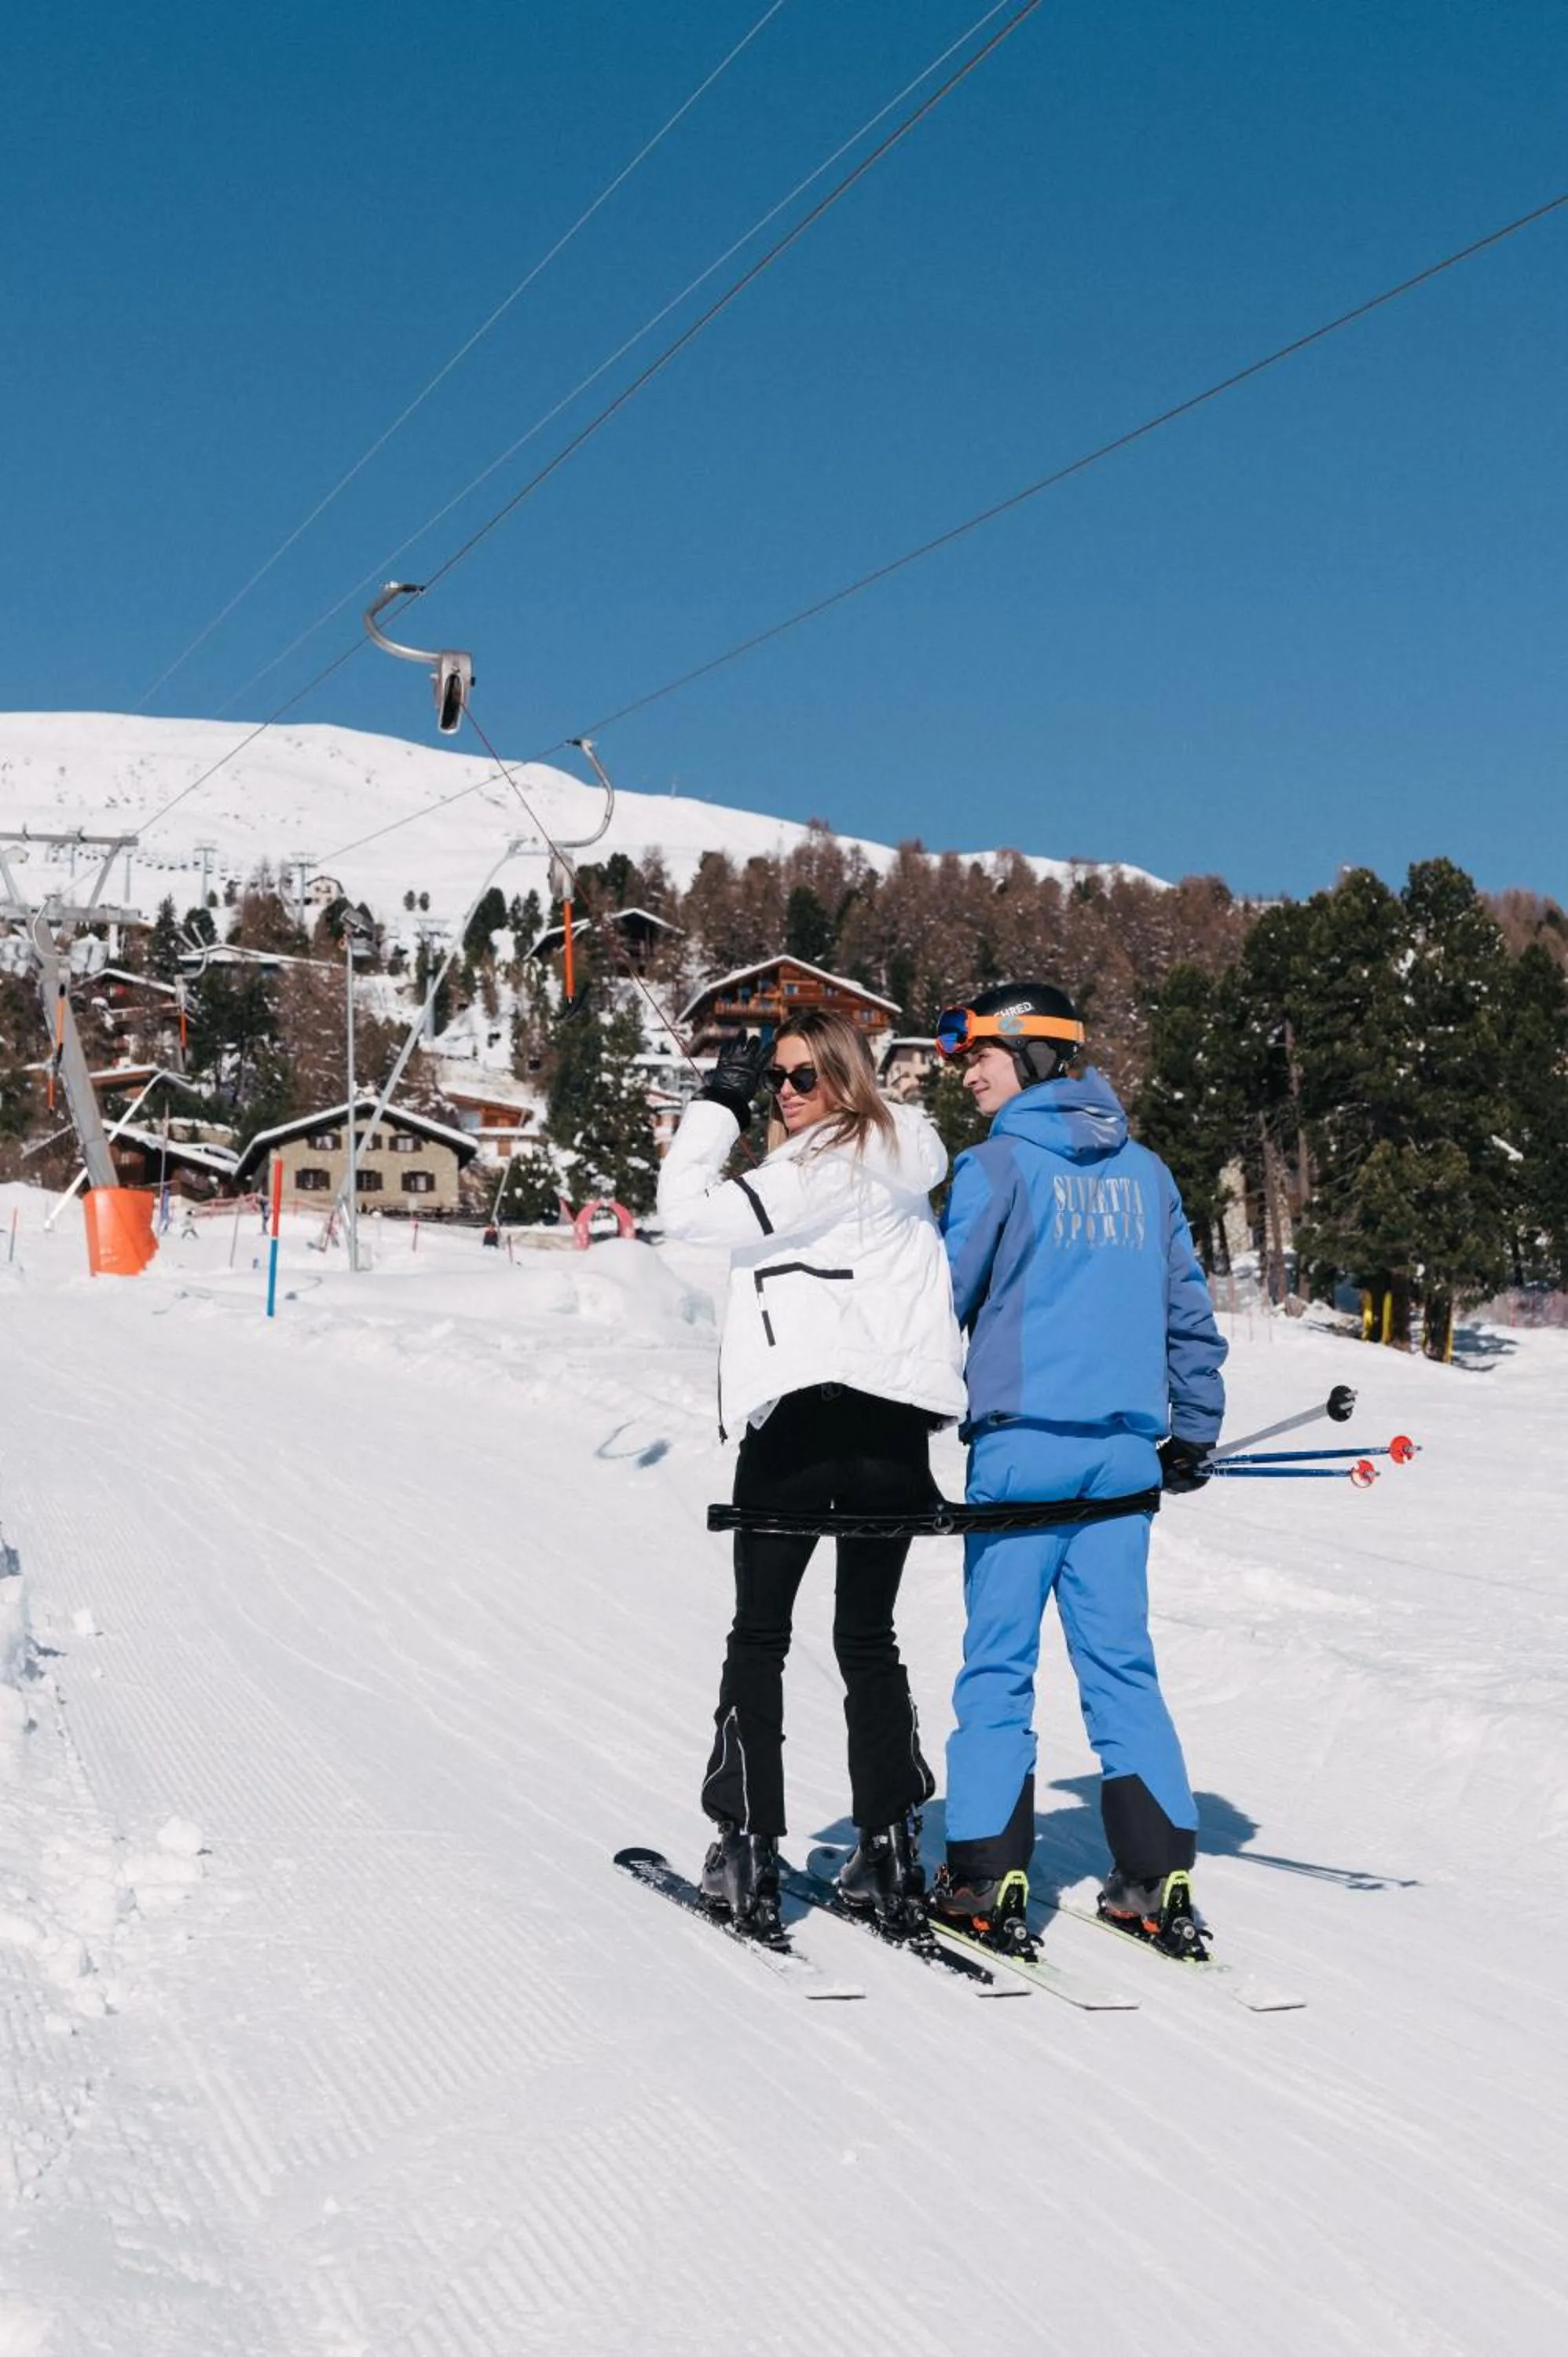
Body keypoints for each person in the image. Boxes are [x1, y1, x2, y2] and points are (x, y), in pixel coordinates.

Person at [926, 981, 1226, 1959]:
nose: (964, 1071)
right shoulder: (1146, 1174)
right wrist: (1193, 1428)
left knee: (998, 1664)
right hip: (1119, 1460)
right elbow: (1185, 1309)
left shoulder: (996, 1167)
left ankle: (982, 1874)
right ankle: (1153, 1875)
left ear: (1034, 1054)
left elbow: (940, 1305)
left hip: (1022, 1456)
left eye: (978, 1052)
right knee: (1119, 1664)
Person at [657, 1008, 967, 1941]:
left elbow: (682, 1209)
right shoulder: (911, 1153)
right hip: (895, 1434)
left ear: (843, 1077)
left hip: (798, 1423)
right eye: (776, 1080)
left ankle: (745, 1846)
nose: (785, 1095)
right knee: (867, 1636)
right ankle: (891, 1847)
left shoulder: (806, 1169)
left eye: (800, 1077)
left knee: (761, 1633)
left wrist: (718, 1103)